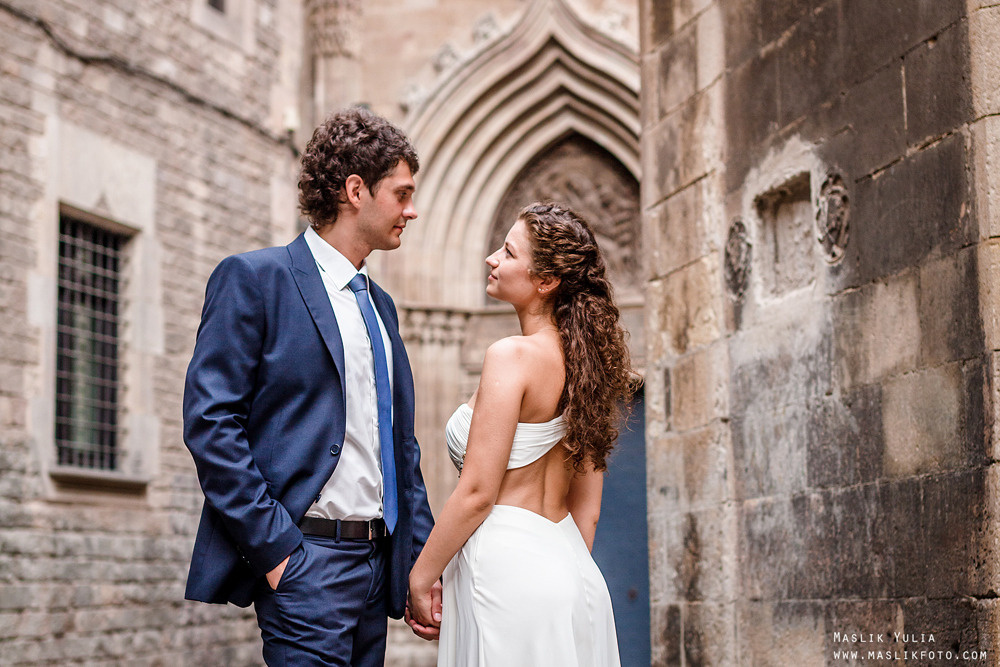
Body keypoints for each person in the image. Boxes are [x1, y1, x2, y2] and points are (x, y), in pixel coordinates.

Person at [182, 106, 438, 666]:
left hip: (376, 568)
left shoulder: (381, 306)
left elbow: (400, 447)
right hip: (305, 563)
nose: (411, 211)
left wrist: (419, 559)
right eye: (401, 194)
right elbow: (211, 424)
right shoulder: (254, 279)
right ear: (355, 191)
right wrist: (278, 552)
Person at [406, 202, 634, 666]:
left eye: (508, 253)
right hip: (573, 576)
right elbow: (586, 513)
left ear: (546, 281)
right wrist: (553, 577)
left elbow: (476, 493)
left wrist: (420, 576)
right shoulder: (589, 370)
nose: (492, 258)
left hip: (505, 574)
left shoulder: (512, 356)